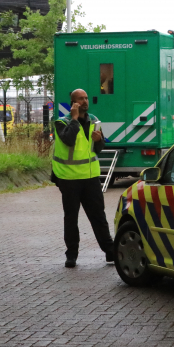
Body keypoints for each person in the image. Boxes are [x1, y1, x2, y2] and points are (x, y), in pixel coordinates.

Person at [52, 89, 113, 268]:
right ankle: (71, 255)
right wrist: (74, 119)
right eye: (81, 99)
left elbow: (98, 148)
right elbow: (69, 140)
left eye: (86, 98)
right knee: (71, 218)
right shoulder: (61, 122)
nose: (85, 101)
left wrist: (99, 140)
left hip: (91, 177)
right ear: (73, 103)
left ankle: (110, 252)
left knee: (99, 217)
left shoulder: (94, 120)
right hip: (69, 178)